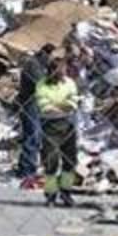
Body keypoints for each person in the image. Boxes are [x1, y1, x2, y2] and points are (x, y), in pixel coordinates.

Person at [35, 55, 79, 207]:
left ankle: (66, 191)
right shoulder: (42, 85)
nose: (63, 75)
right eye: (60, 72)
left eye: (64, 71)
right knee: (51, 163)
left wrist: (59, 107)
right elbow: (45, 108)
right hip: (50, 127)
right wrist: (63, 106)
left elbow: (73, 104)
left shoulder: (70, 83)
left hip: (68, 126)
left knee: (70, 162)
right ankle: (51, 194)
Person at [16, 44, 54, 191]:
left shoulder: (42, 65)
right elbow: (40, 84)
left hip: (40, 105)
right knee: (32, 136)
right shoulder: (33, 64)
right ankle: (26, 170)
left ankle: (31, 167)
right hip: (30, 104)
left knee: (38, 137)